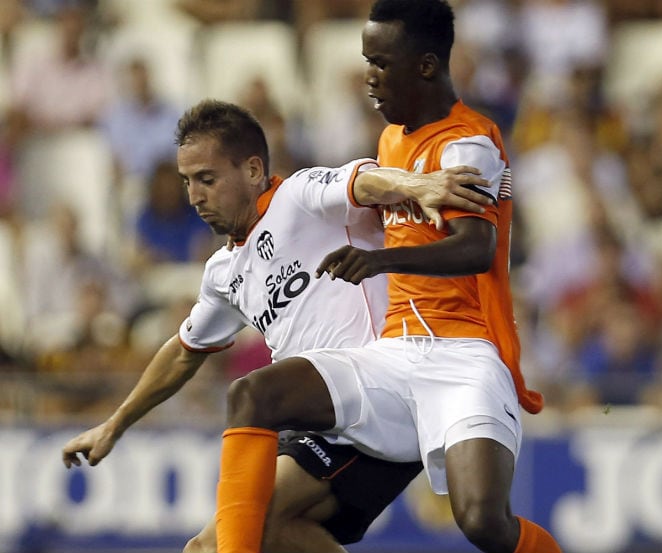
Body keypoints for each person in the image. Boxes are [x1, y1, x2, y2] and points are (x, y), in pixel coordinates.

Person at [61, 99, 493, 553]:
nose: (194, 196)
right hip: (323, 420)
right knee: (262, 534)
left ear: (252, 170)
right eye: (188, 182)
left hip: (379, 398)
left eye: (207, 179)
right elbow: (184, 351)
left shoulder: (300, 197)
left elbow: (366, 183)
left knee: (219, 538)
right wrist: (114, 424)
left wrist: (418, 183)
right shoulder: (224, 271)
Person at [213, 1, 562, 553]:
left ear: (424, 66)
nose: (368, 77)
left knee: (482, 521)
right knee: (255, 394)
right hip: (394, 355)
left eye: (380, 63)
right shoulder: (392, 141)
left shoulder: (469, 141)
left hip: (464, 353)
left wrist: (379, 263)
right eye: (365, 61)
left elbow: (475, 248)